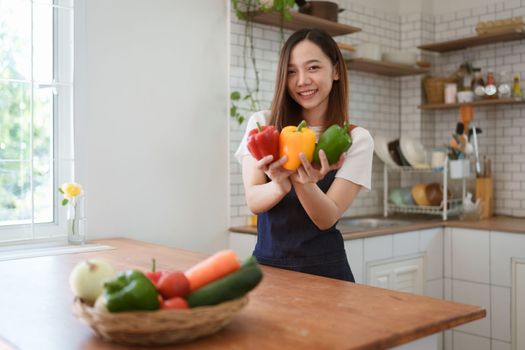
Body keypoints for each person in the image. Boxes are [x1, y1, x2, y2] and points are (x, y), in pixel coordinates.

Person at [234, 28, 374, 282]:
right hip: (267, 268)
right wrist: (279, 183)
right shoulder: (263, 124)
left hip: (327, 273)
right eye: (291, 71)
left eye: (312, 68)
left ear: (336, 71)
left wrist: (302, 181)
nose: (302, 80)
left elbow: (326, 218)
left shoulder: (356, 139)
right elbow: (253, 200)